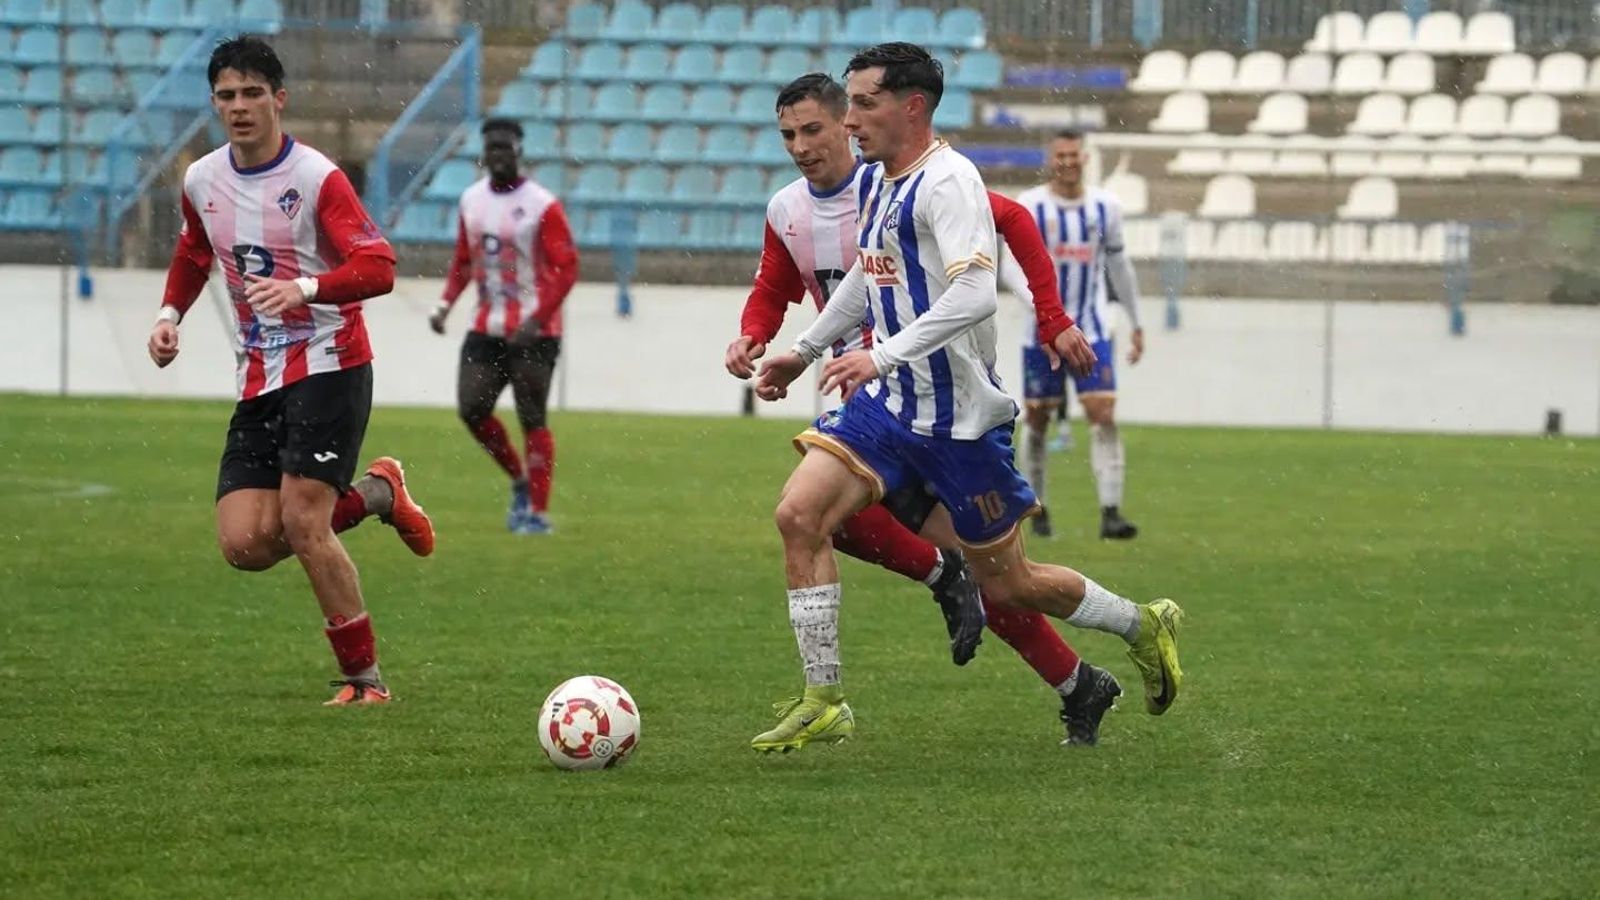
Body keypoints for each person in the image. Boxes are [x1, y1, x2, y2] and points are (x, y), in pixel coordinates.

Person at [750, 44, 1184, 752]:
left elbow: (976, 290)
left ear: (911, 106)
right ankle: (824, 696)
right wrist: (803, 350)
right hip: (888, 409)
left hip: (960, 425)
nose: (849, 117)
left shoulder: (950, 182)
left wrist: (880, 351)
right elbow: (867, 274)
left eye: (863, 103)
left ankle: (1142, 623)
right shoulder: (880, 180)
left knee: (1011, 586)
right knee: (800, 514)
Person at [146, 36, 434, 706]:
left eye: (252, 93)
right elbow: (194, 249)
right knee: (246, 544)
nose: (239, 107)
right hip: (259, 376)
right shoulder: (201, 179)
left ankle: (364, 681)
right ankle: (380, 493)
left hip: (331, 363)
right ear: (214, 103)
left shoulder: (315, 178)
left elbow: (379, 266)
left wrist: (305, 288)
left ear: (280, 99)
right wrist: (169, 315)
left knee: (305, 523)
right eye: (226, 95)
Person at [429, 118, 578, 535]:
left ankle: (535, 511)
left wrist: (537, 319)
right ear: (484, 153)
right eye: (491, 148)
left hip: (536, 330)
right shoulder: (471, 201)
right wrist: (444, 305)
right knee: (472, 407)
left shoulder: (542, 205)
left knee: (533, 417)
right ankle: (518, 478)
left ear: (519, 151)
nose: (498, 155)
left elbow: (567, 268)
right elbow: (464, 260)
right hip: (488, 324)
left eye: (505, 148)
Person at [1012, 130, 1145, 540]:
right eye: (1060, 155)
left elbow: (1120, 268)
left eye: (1074, 154)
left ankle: (1110, 512)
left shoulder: (1106, 207)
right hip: (1042, 333)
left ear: (1084, 158)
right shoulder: (1030, 206)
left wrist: (1136, 322)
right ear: (1050, 160)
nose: (1067, 161)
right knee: (1037, 418)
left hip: (1092, 327)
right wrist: (1042, 310)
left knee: (1102, 415)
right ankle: (1038, 507)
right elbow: (1009, 267)